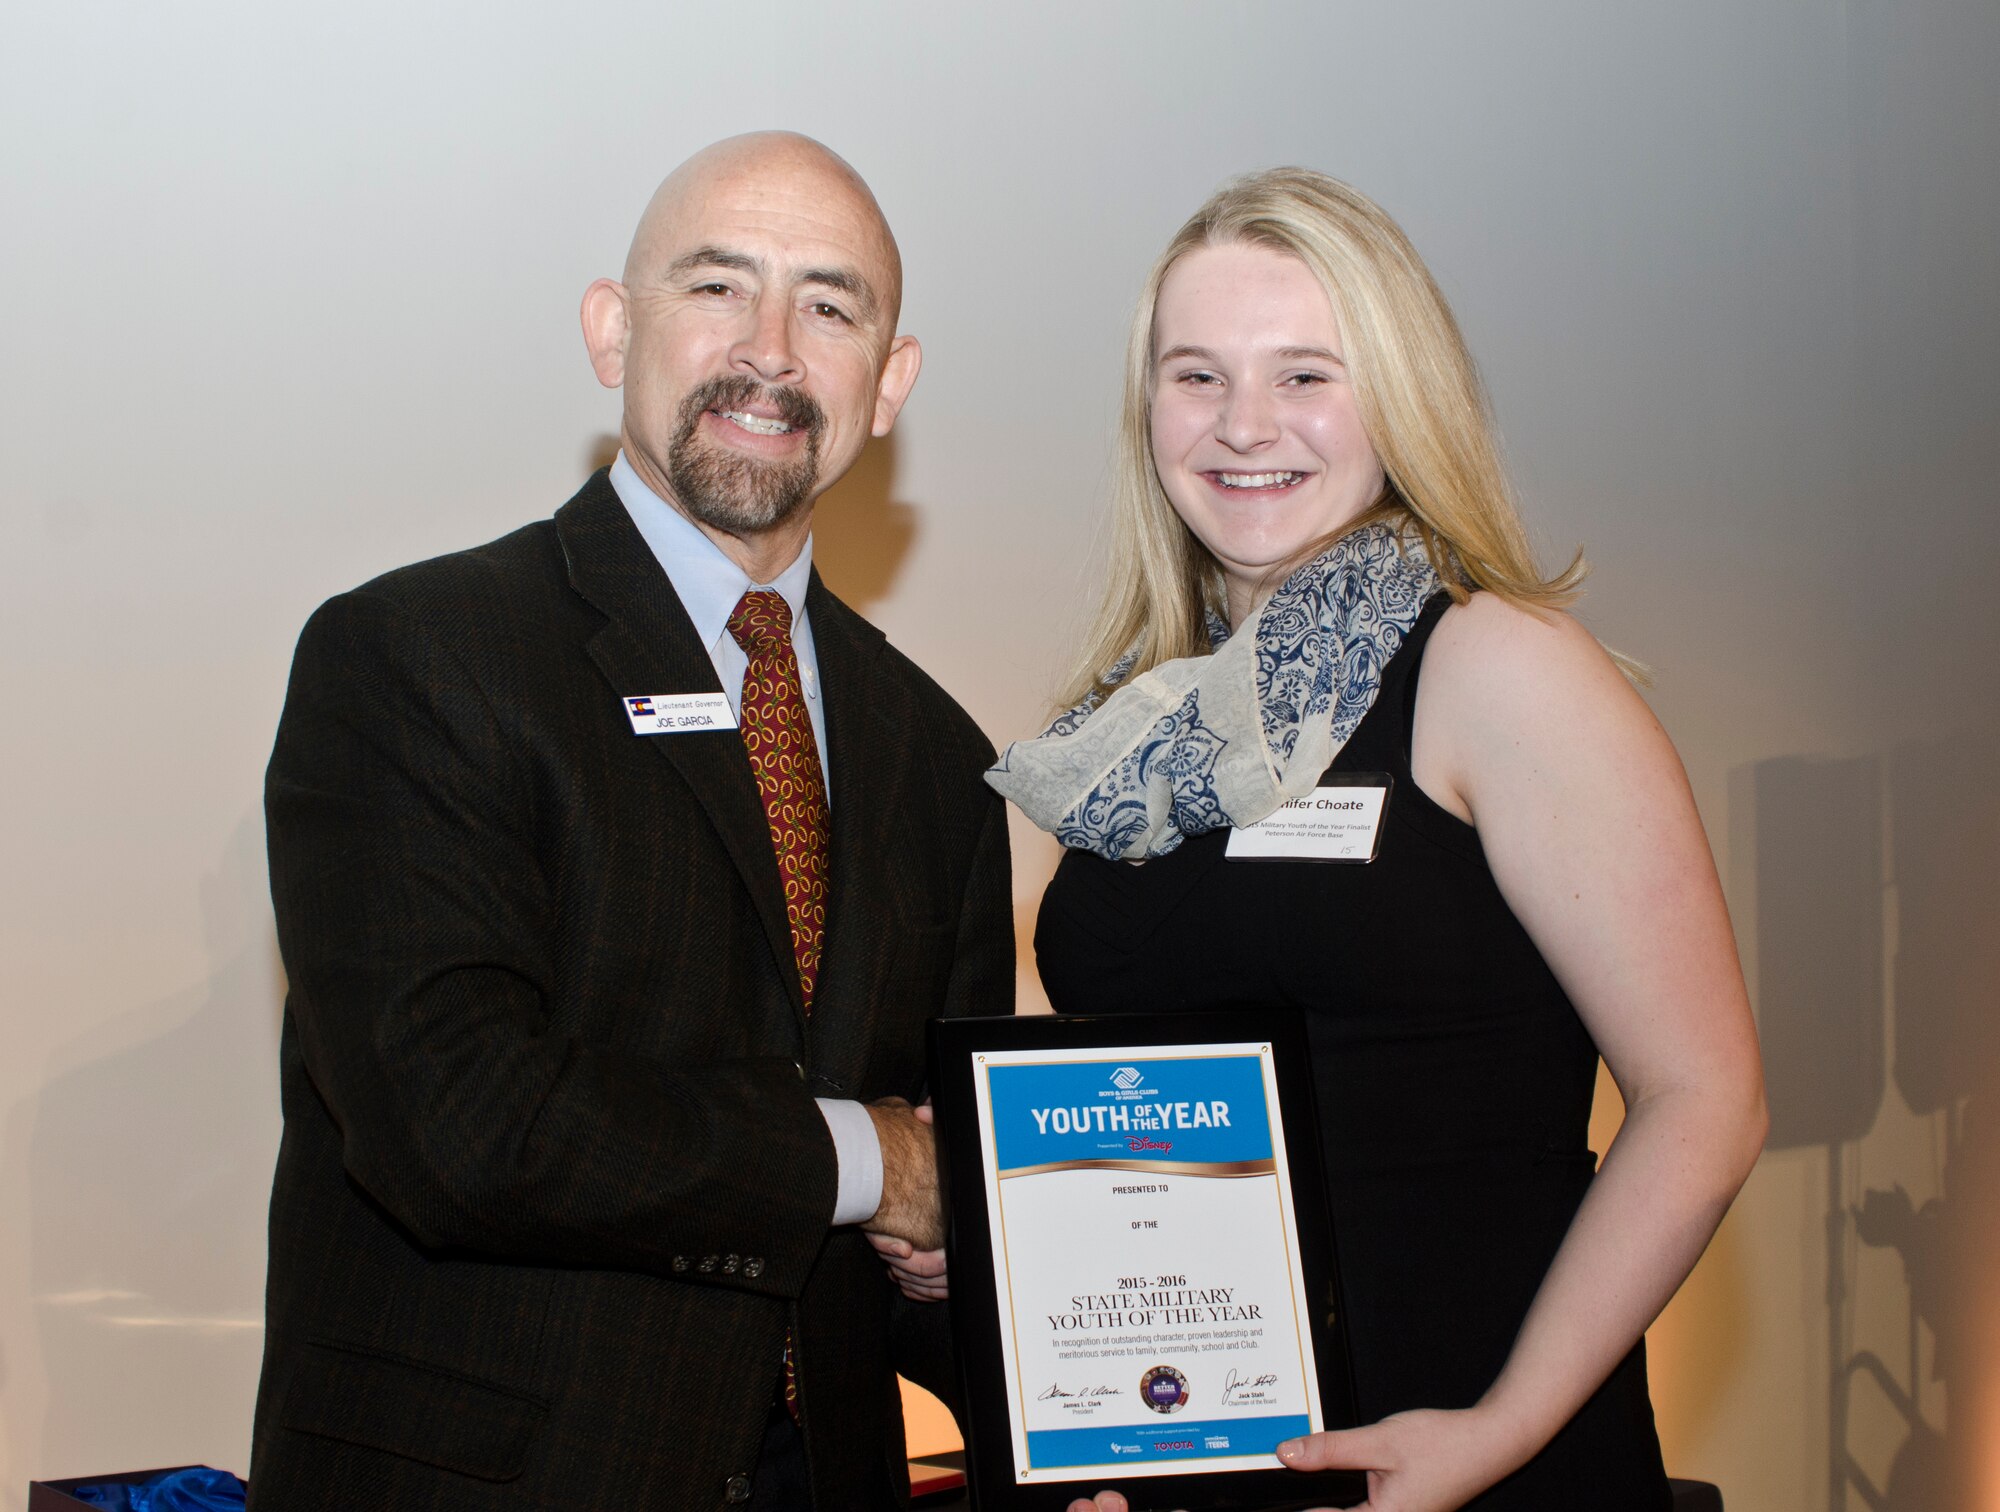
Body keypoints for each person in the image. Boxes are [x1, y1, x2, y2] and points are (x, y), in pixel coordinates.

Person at [980, 168, 1767, 1512]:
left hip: (1471, 1461)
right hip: (1205, 1462)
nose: (1243, 426)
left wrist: (1498, 1431)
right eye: (1197, 376)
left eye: (1306, 376)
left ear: (1398, 396)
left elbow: (1708, 1103)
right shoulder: (1130, 726)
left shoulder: (1498, 666)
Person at [249, 132, 1013, 1512]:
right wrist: (876, 1161)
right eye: (717, 289)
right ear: (613, 331)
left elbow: (916, 1239)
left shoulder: (941, 759)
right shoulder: (418, 655)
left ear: (889, 383)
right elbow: (458, 1121)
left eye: (830, 308)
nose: (770, 350)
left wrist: (987, 1254)